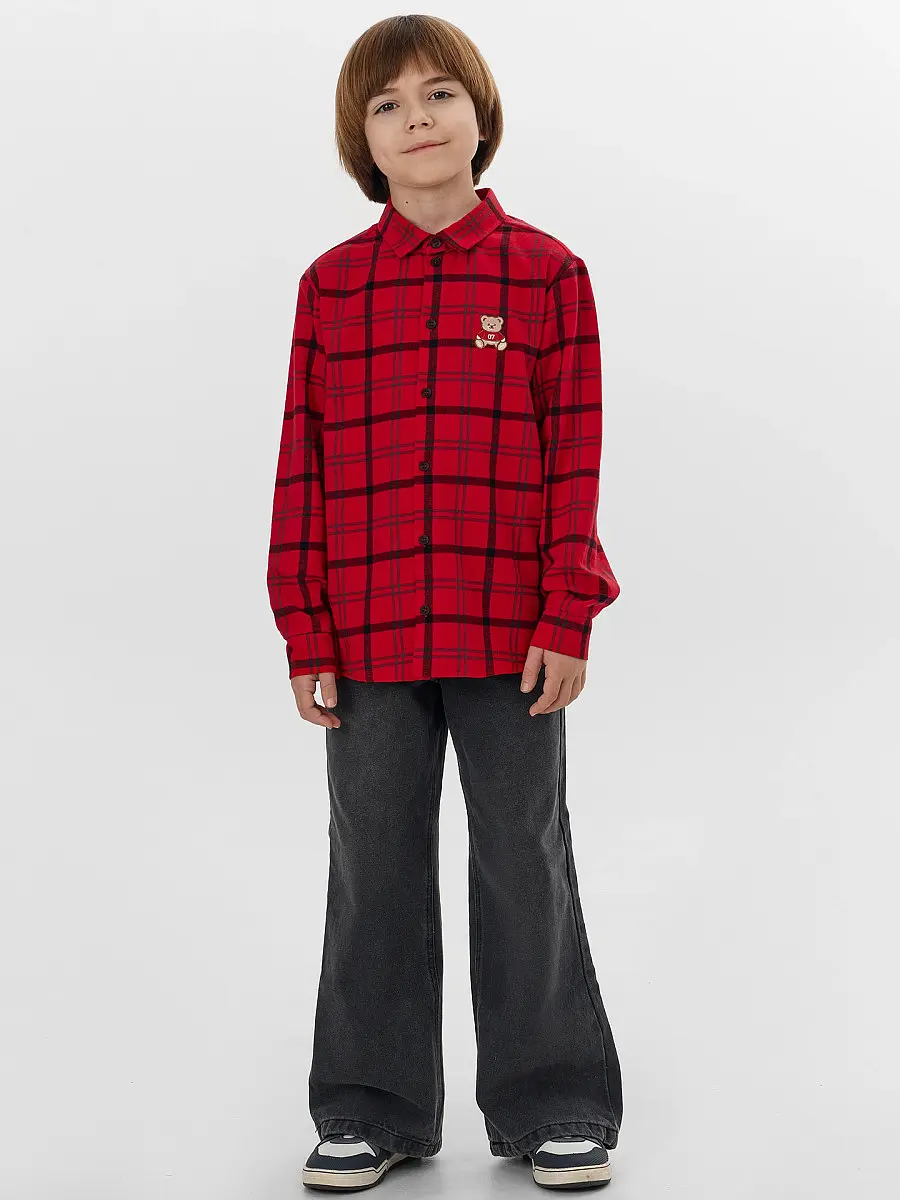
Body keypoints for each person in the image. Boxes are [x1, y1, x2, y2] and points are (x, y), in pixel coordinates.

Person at [267, 14, 623, 1192]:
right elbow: (302, 463)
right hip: (365, 631)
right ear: (361, 141)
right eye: (387, 106)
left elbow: (574, 460)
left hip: (510, 632)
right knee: (372, 862)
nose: (416, 119)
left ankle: (553, 1101)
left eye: (438, 95)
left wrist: (566, 614)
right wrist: (302, 625)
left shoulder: (548, 274)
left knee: (524, 856)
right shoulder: (331, 288)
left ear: (480, 114)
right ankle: (371, 1109)